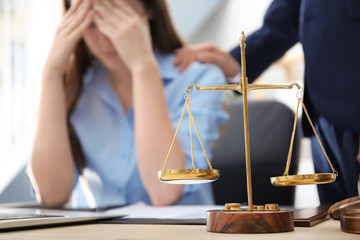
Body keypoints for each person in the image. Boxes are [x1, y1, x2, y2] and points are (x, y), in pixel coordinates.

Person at [29, 0, 228, 208]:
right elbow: (51, 196)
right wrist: (51, 73)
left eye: (116, 20)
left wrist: (142, 66)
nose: (105, 38)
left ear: (150, 9)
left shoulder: (200, 80)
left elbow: (165, 191)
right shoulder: (76, 89)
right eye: (90, 24)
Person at [173, 0, 360, 204]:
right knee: (335, 222)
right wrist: (235, 64)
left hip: (354, 113)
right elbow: (280, 26)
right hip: (322, 117)